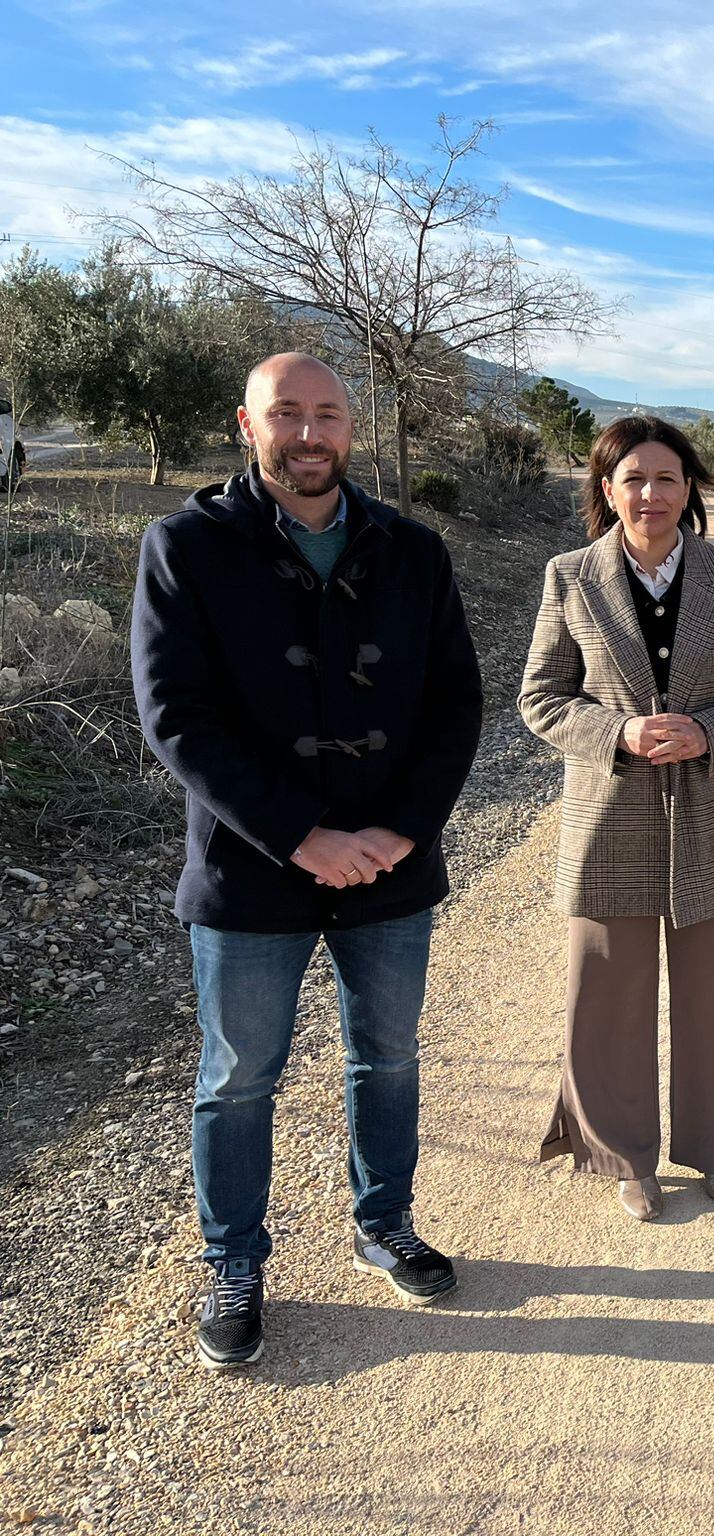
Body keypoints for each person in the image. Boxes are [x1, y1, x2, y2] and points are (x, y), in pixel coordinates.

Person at [131, 352, 483, 1370]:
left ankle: (385, 1225)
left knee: (390, 1057)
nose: (309, 431)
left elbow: (455, 704)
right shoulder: (184, 547)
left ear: (352, 427)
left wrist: (404, 829)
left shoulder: (413, 551)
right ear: (248, 425)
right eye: (287, 412)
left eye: (327, 413)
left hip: (390, 869)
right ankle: (234, 1263)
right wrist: (300, 835)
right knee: (239, 1078)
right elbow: (176, 720)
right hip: (249, 870)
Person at [519, 416, 714, 1222]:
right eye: (633, 479)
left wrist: (709, 732)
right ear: (606, 490)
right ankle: (622, 1156)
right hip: (607, 821)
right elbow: (540, 699)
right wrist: (619, 733)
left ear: (689, 489)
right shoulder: (569, 576)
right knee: (606, 995)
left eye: (667, 478)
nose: (651, 493)